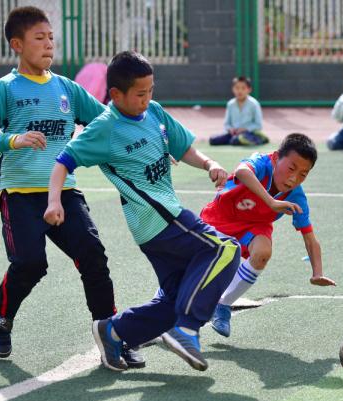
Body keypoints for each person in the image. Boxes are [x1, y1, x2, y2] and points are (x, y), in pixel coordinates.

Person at [44, 51, 241, 372]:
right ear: (116, 94)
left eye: (151, 91)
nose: (147, 99)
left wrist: (209, 163)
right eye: (140, 94)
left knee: (171, 300)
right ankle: (188, 328)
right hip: (159, 216)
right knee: (225, 249)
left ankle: (114, 330)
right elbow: (62, 162)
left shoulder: (155, 113)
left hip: (154, 226)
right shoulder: (104, 128)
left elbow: (183, 147)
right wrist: (54, 201)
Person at [0, 6, 143, 368]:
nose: (49, 44)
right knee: (30, 263)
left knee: (93, 255)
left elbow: (107, 119)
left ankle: (111, 334)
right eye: (39, 37)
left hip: (64, 191)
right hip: (19, 194)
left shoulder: (66, 88)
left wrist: (150, 138)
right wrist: (13, 140)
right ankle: (1, 317)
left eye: (51, 37)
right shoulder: (6, 88)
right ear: (17, 44)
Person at [200, 133, 336, 337]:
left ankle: (223, 305)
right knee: (194, 270)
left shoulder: (296, 196)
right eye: (291, 168)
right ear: (276, 157)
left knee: (263, 251)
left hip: (254, 226)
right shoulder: (262, 163)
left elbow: (310, 237)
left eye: (303, 174)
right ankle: (168, 307)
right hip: (219, 217)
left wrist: (317, 273)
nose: (294, 178)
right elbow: (242, 171)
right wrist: (270, 201)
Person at [209, 76, 269, 146]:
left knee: (236, 140)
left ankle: (258, 139)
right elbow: (226, 124)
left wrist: (245, 129)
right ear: (233, 89)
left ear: (249, 89)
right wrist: (230, 129)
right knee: (213, 140)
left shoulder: (254, 104)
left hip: (249, 133)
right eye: (237, 88)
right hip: (233, 134)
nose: (240, 91)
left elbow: (258, 125)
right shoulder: (230, 104)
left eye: (243, 88)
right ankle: (238, 140)